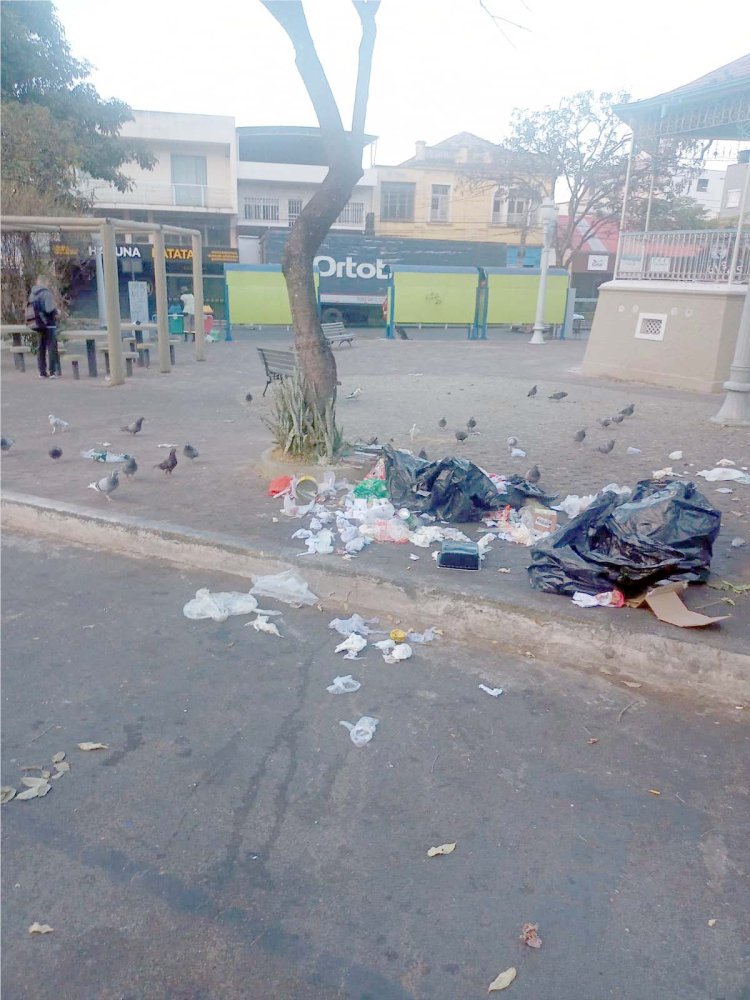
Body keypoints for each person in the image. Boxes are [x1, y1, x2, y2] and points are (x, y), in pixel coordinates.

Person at [26, 275, 60, 379]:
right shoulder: (46, 293)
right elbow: (49, 309)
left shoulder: (32, 294)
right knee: (51, 348)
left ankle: (42, 372)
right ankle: (52, 372)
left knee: (41, 348)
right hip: (49, 325)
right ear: (46, 282)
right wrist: (57, 312)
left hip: (37, 324)